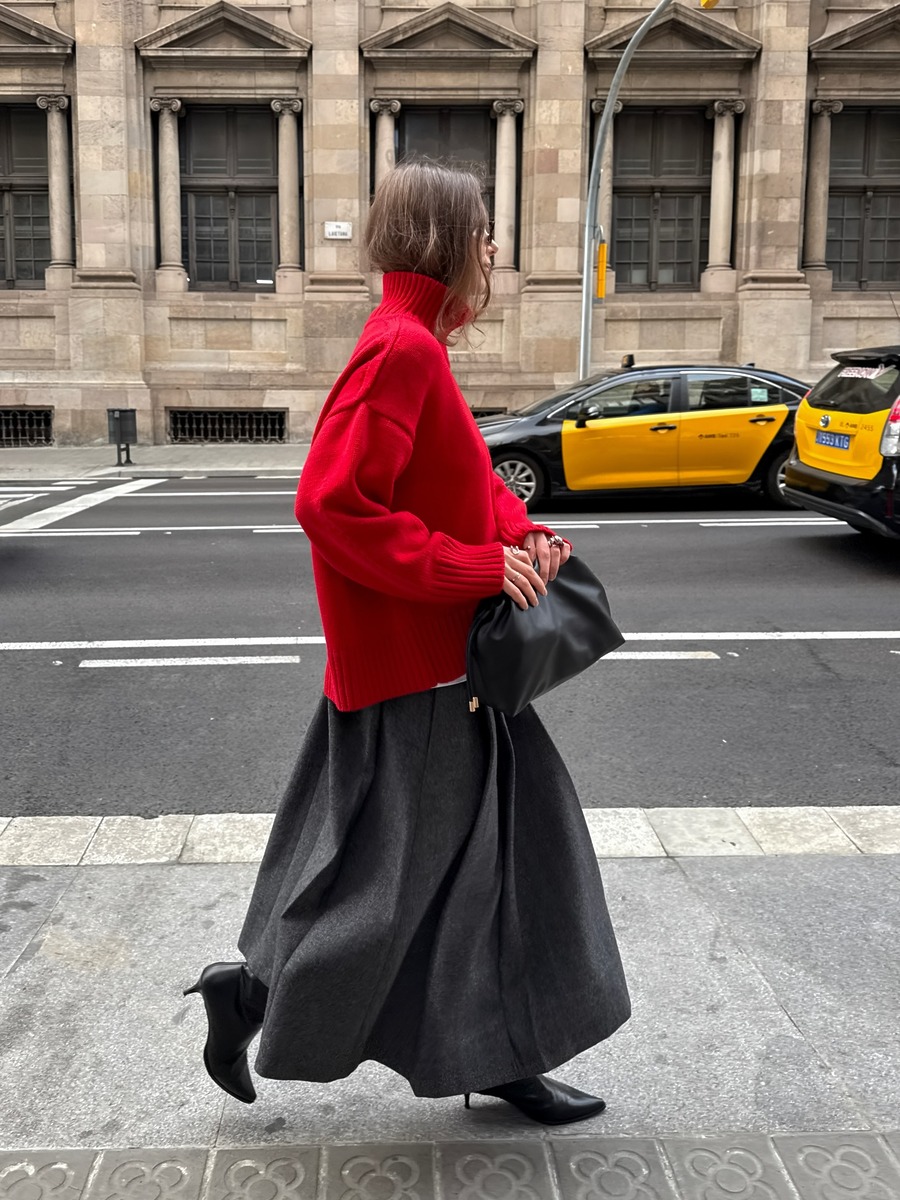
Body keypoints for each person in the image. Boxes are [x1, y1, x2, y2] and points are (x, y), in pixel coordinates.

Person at [184, 159, 631, 1126]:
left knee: (483, 868)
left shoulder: (414, 341)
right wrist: (473, 571)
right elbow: (331, 504)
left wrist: (520, 534)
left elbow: (460, 482)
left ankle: (496, 1051)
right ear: (446, 241)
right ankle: (257, 999)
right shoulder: (402, 350)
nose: (494, 251)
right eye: (483, 232)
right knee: (405, 890)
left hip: (434, 671)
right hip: (428, 680)